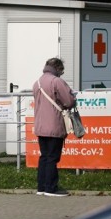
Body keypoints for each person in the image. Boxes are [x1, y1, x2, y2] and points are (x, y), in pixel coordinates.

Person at [32, 57, 76, 197]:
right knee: (52, 158)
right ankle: (51, 188)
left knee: (44, 157)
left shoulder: (37, 82)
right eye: (61, 70)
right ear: (57, 68)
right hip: (54, 124)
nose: (61, 73)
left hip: (40, 125)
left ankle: (41, 187)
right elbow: (68, 101)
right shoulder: (57, 81)